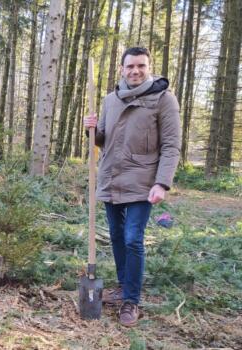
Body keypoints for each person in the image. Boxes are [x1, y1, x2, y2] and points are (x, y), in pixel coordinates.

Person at [84, 47, 181, 327]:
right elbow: (102, 138)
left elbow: (172, 145)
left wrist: (162, 183)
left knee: (132, 238)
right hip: (112, 177)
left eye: (141, 66)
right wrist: (91, 128)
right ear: (122, 68)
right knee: (115, 236)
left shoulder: (164, 99)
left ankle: (132, 301)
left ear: (149, 67)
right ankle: (124, 287)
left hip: (143, 180)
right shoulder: (110, 99)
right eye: (130, 66)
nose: (135, 71)